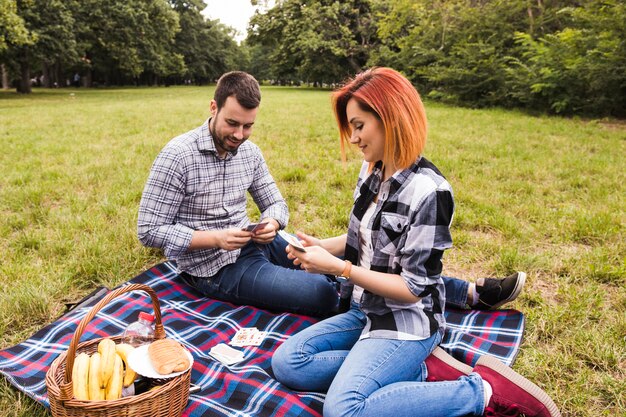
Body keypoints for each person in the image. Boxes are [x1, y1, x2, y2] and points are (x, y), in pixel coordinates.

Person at [271, 68, 560, 417]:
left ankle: (478, 391)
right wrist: (321, 246)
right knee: (289, 363)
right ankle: (411, 371)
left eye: (359, 126)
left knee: (344, 410)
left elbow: (413, 289)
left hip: (406, 321)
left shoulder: (430, 192)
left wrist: (341, 268)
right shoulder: (371, 171)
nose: (353, 138)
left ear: (390, 118)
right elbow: (366, 238)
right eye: (351, 127)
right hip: (364, 311)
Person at [137, 70, 524, 318]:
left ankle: (470, 293)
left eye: (249, 126)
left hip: (255, 242)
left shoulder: (249, 152)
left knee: (384, 269)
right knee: (325, 295)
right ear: (213, 108)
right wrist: (214, 239)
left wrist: (272, 222)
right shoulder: (178, 155)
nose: (240, 135)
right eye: (232, 124)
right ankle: (434, 296)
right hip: (213, 266)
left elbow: (275, 201)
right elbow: (149, 229)